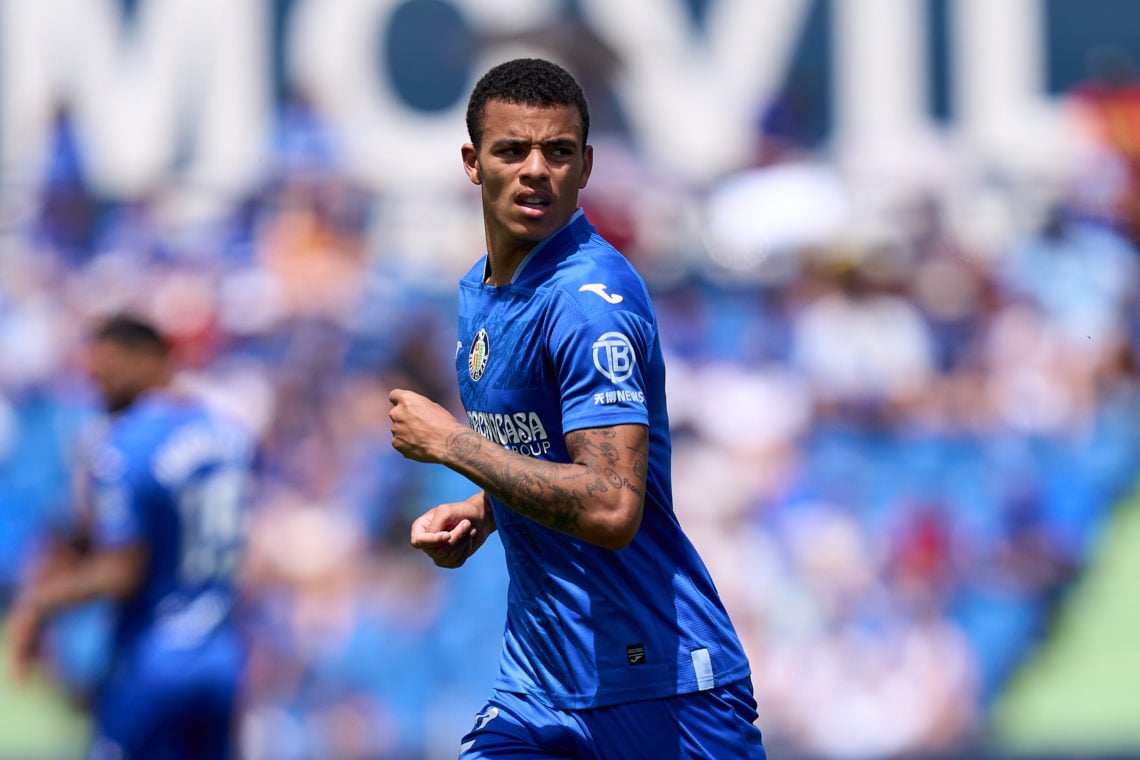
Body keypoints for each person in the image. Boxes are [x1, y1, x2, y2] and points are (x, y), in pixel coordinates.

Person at [389, 58, 766, 759]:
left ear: (586, 165)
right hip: (539, 685)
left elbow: (612, 507)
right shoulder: (483, 290)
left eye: (558, 152)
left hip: (659, 686)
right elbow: (550, 452)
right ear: (473, 163)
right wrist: (483, 509)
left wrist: (453, 445)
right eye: (512, 150)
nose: (537, 169)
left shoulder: (589, 302)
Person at [6, 315, 254, 759]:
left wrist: (37, 604)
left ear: (149, 360)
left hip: (153, 658)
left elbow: (121, 571)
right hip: (220, 654)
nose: (97, 384)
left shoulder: (125, 444)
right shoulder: (229, 432)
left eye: (107, 369)